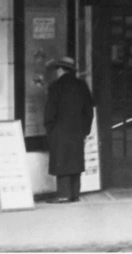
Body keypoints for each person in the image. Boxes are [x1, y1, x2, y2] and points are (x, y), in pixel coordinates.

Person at [44, 56, 94, 203]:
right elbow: (89, 110)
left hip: (59, 131)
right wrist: (85, 129)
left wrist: (50, 129)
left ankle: (63, 195)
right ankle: (74, 194)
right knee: (75, 161)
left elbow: (49, 112)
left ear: (60, 70)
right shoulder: (82, 85)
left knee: (62, 161)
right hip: (78, 130)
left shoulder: (55, 87)